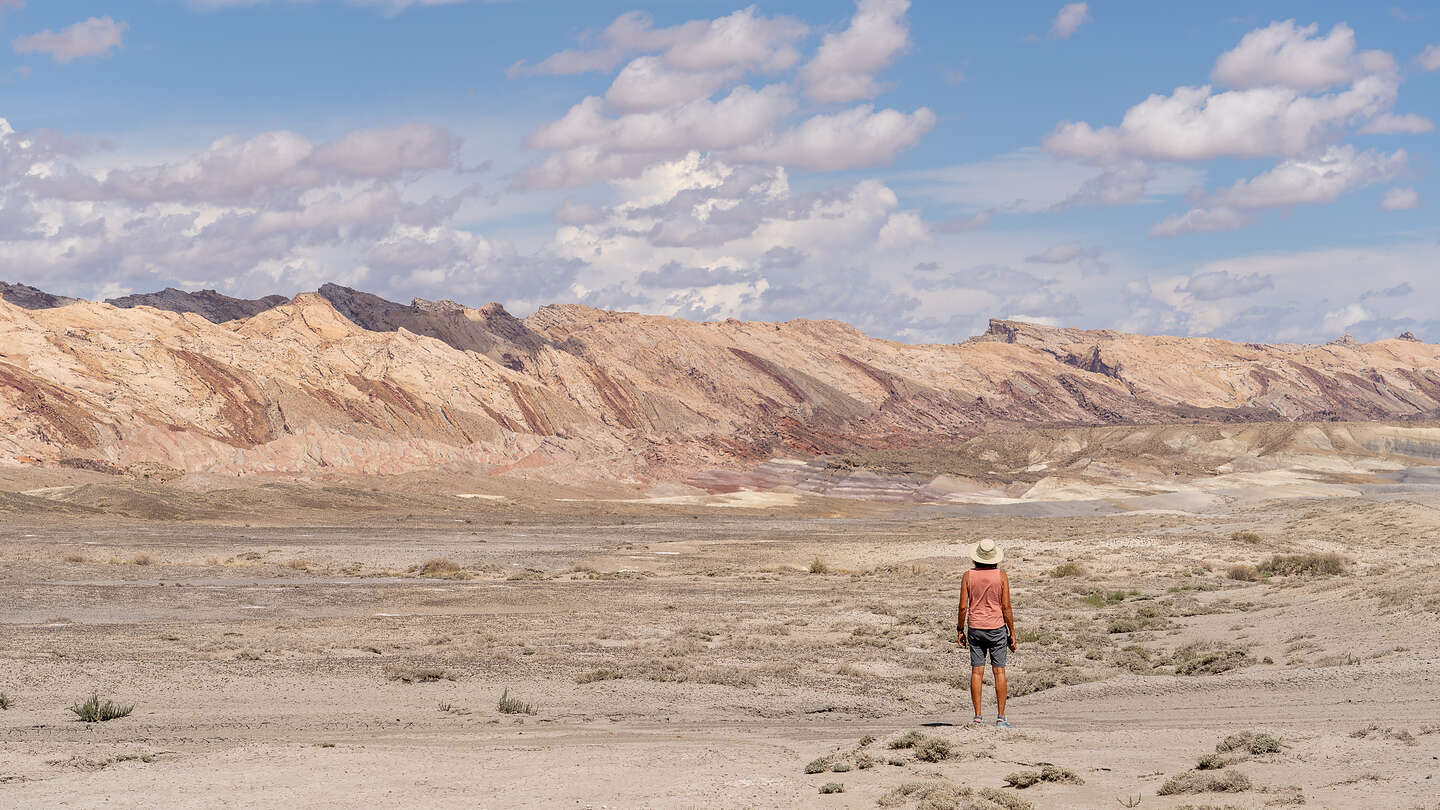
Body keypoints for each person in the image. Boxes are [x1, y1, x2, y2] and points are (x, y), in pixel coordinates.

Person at [956, 538, 1016, 727]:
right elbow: (1006, 606)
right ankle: (1001, 717)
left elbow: (963, 607)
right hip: (997, 627)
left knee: (977, 671)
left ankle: (978, 716)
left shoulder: (968, 576)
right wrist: (1012, 631)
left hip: (975, 627)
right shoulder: (1001, 576)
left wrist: (960, 629)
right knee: (999, 672)